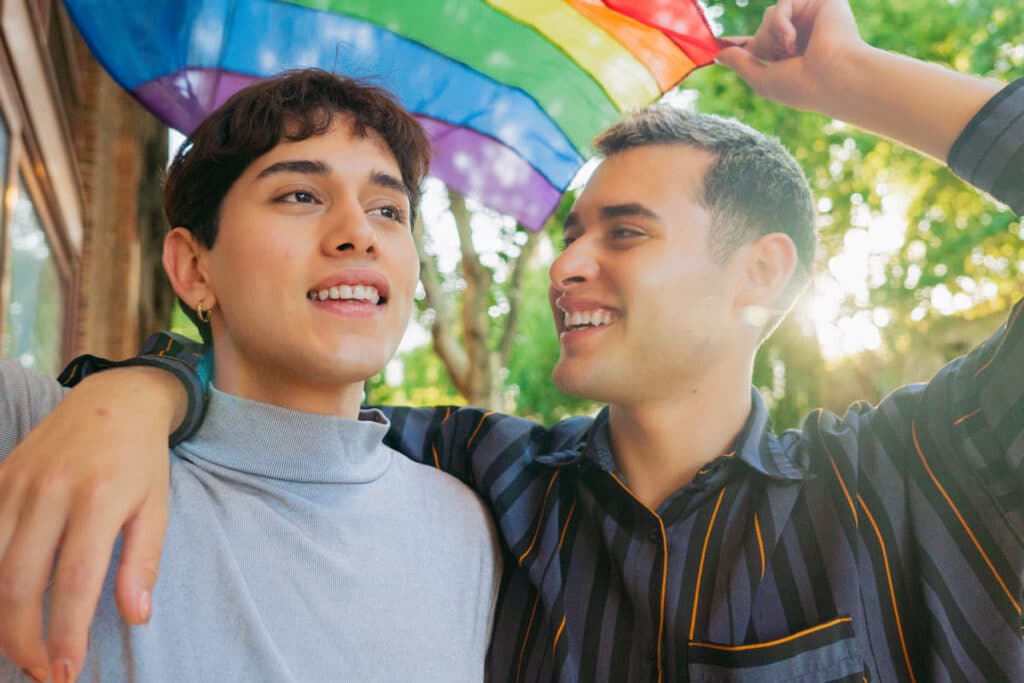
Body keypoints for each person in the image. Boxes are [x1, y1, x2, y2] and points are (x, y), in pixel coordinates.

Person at [3, 0, 1023, 680]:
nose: (567, 266)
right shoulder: (486, 478)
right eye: (570, 233)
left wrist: (851, 80)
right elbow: (282, 404)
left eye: (623, 233)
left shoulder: (909, 477)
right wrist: (138, 387)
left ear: (759, 274)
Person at [0, 70, 500, 683]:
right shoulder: (42, 435)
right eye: (300, 196)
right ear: (192, 267)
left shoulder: (466, 527)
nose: (359, 234)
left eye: (388, 209)